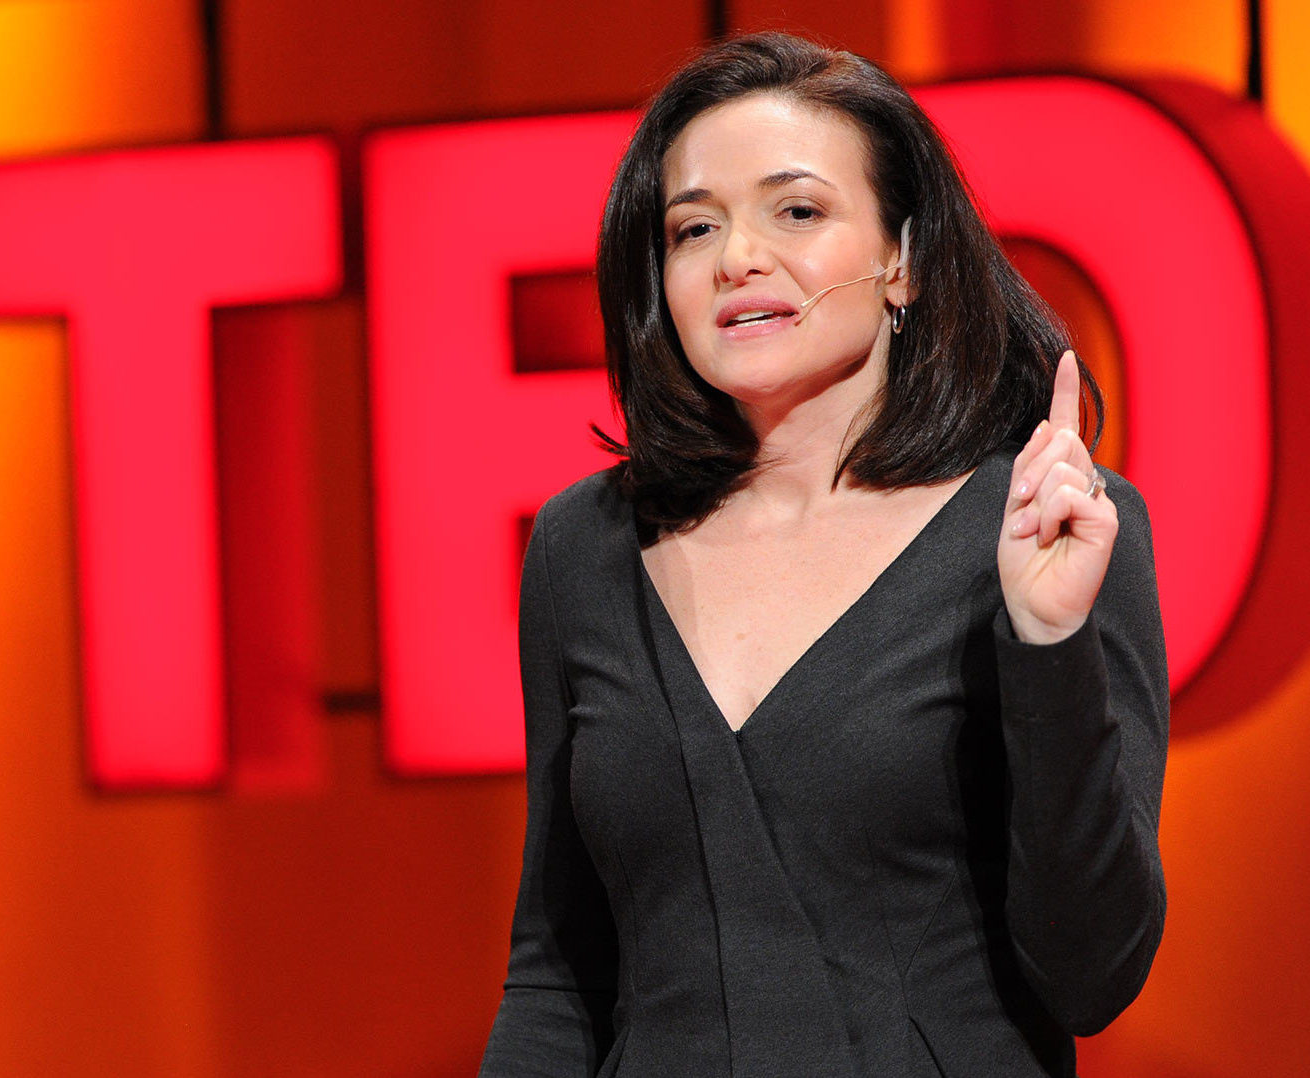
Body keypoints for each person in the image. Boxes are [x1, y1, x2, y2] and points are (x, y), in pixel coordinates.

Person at [479, 31, 1168, 1078]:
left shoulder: (1043, 525)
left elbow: (1089, 974)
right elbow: (557, 972)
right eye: (690, 227)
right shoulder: (585, 545)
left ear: (900, 258)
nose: (735, 257)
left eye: (795, 210)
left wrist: (1044, 641)